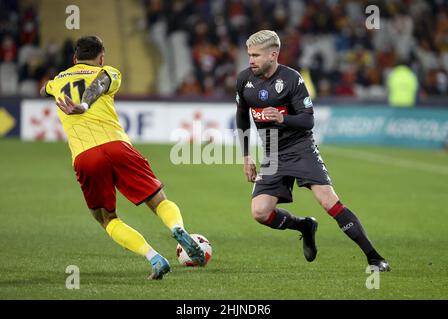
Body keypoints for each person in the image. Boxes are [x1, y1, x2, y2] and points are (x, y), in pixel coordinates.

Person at [40, 35, 205, 280]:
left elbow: (44, 89)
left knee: (107, 219)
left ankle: (154, 258)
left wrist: (52, 89)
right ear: (101, 58)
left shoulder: (58, 81)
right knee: (158, 200)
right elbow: (101, 82)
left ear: (75, 59)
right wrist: (86, 105)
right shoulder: (109, 72)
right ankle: (177, 228)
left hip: (86, 156)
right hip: (118, 146)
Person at [235, 30, 390, 271]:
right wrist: (246, 155)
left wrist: (283, 119)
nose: (251, 60)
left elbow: (308, 121)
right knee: (260, 212)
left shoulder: (292, 80)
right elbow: (242, 117)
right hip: (272, 153)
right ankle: (305, 226)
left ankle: (374, 257)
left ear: (273, 55)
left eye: (255, 55)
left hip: (300, 148)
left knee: (329, 201)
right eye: (249, 55)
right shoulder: (244, 80)